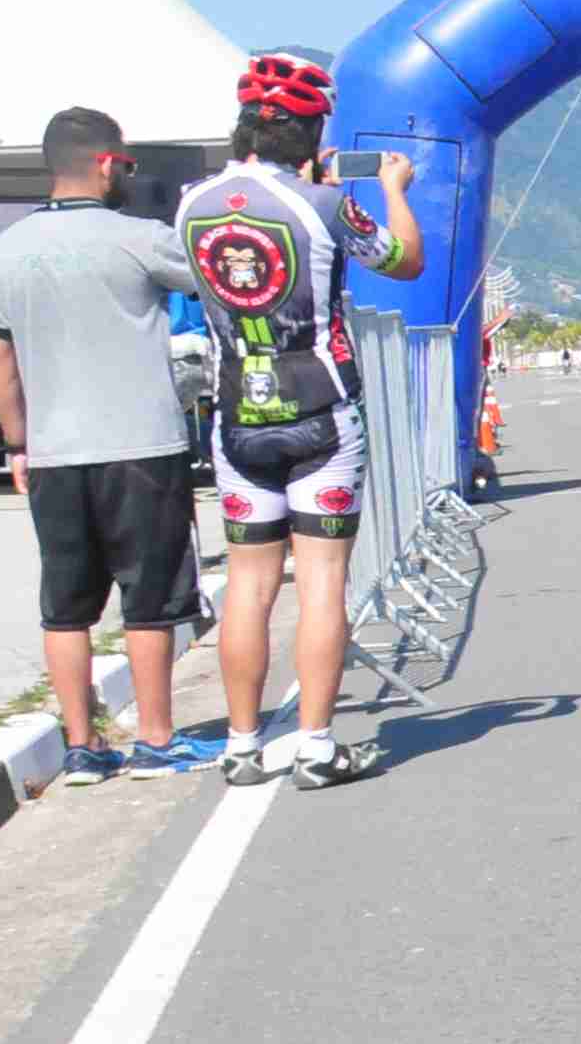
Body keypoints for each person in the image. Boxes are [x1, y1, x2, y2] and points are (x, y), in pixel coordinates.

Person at [173, 50, 424, 789]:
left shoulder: (191, 201)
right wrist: (392, 187)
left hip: (236, 415)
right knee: (321, 582)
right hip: (323, 407)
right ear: (314, 134)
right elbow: (403, 258)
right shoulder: (323, 206)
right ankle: (315, 746)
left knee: (250, 584)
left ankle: (242, 746)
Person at [0, 107, 214, 779]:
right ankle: (156, 739)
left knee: (66, 608)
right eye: (127, 166)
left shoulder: (2, 253)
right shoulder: (140, 238)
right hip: (141, 444)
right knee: (151, 602)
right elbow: (212, 279)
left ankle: (81, 745)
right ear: (108, 164)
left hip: (53, 452)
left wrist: (18, 443)